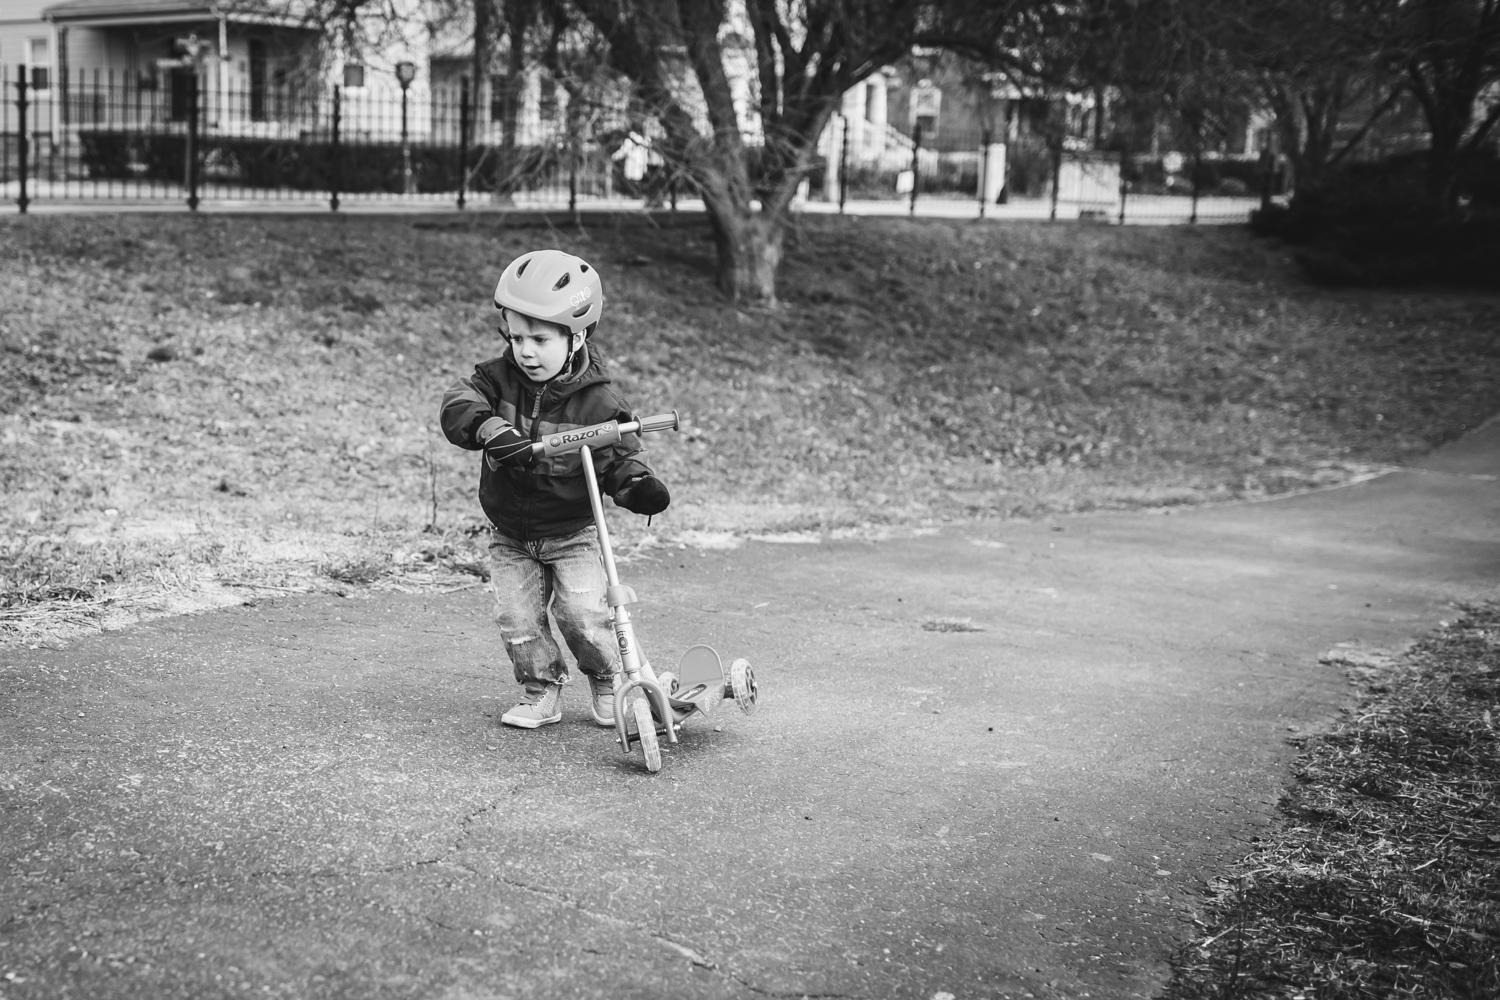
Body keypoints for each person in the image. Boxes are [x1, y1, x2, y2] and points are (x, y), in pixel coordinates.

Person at [440, 249, 671, 729]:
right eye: (516, 336)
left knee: (584, 613)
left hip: (571, 531)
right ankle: (541, 690)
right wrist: (489, 429)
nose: (524, 350)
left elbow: (620, 454)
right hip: (510, 532)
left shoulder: (600, 401)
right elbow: (458, 403)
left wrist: (636, 486)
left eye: (539, 339)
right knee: (517, 620)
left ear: (577, 335)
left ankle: (608, 678)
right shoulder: (497, 379)